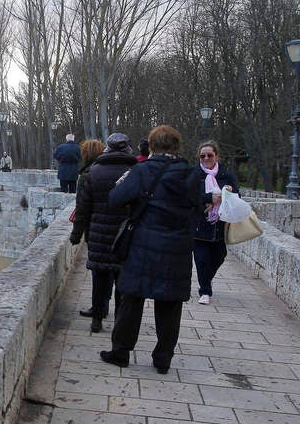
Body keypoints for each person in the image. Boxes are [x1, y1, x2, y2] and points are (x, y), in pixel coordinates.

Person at [100, 125, 202, 374]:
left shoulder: (143, 170)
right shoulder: (191, 174)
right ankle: (163, 358)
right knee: (169, 304)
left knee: (132, 298)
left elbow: (115, 199)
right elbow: (198, 207)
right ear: (176, 146)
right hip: (177, 247)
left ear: (152, 146)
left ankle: (121, 352)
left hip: (143, 244)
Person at [70, 134, 138, 332]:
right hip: (126, 235)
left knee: (99, 278)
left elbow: (83, 208)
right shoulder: (135, 172)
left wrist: (76, 234)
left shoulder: (94, 172)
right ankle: (120, 322)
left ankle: (97, 320)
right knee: (122, 281)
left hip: (99, 232)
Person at [192, 141, 239, 305]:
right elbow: (188, 197)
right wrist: (208, 198)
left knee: (219, 256)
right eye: (202, 155)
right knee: (202, 259)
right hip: (198, 225)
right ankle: (205, 291)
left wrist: (228, 194)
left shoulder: (226, 175)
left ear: (216, 156)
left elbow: (237, 197)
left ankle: (206, 279)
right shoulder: (194, 174)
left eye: (209, 155)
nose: (206, 158)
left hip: (220, 226)